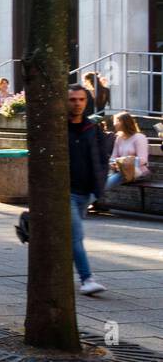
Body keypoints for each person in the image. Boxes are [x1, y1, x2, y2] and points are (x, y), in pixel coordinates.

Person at [68, 85, 112, 296]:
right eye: (73, 99)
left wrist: (99, 187)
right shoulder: (57, 128)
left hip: (85, 192)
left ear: (86, 102)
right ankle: (87, 279)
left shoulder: (93, 128)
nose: (77, 103)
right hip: (64, 192)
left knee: (69, 236)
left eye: (81, 99)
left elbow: (102, 159)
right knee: (76, 235)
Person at [105, 111, 150, 193]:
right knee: (99, 179)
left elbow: (143, 160)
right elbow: (113, 157)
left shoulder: (139, 137)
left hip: (137, 172)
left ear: (124, 122)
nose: (114, 124)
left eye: (116, 121)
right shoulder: (119, 138)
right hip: (120, 171)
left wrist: (124, 161)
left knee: (104, 184)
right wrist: (113, 163)